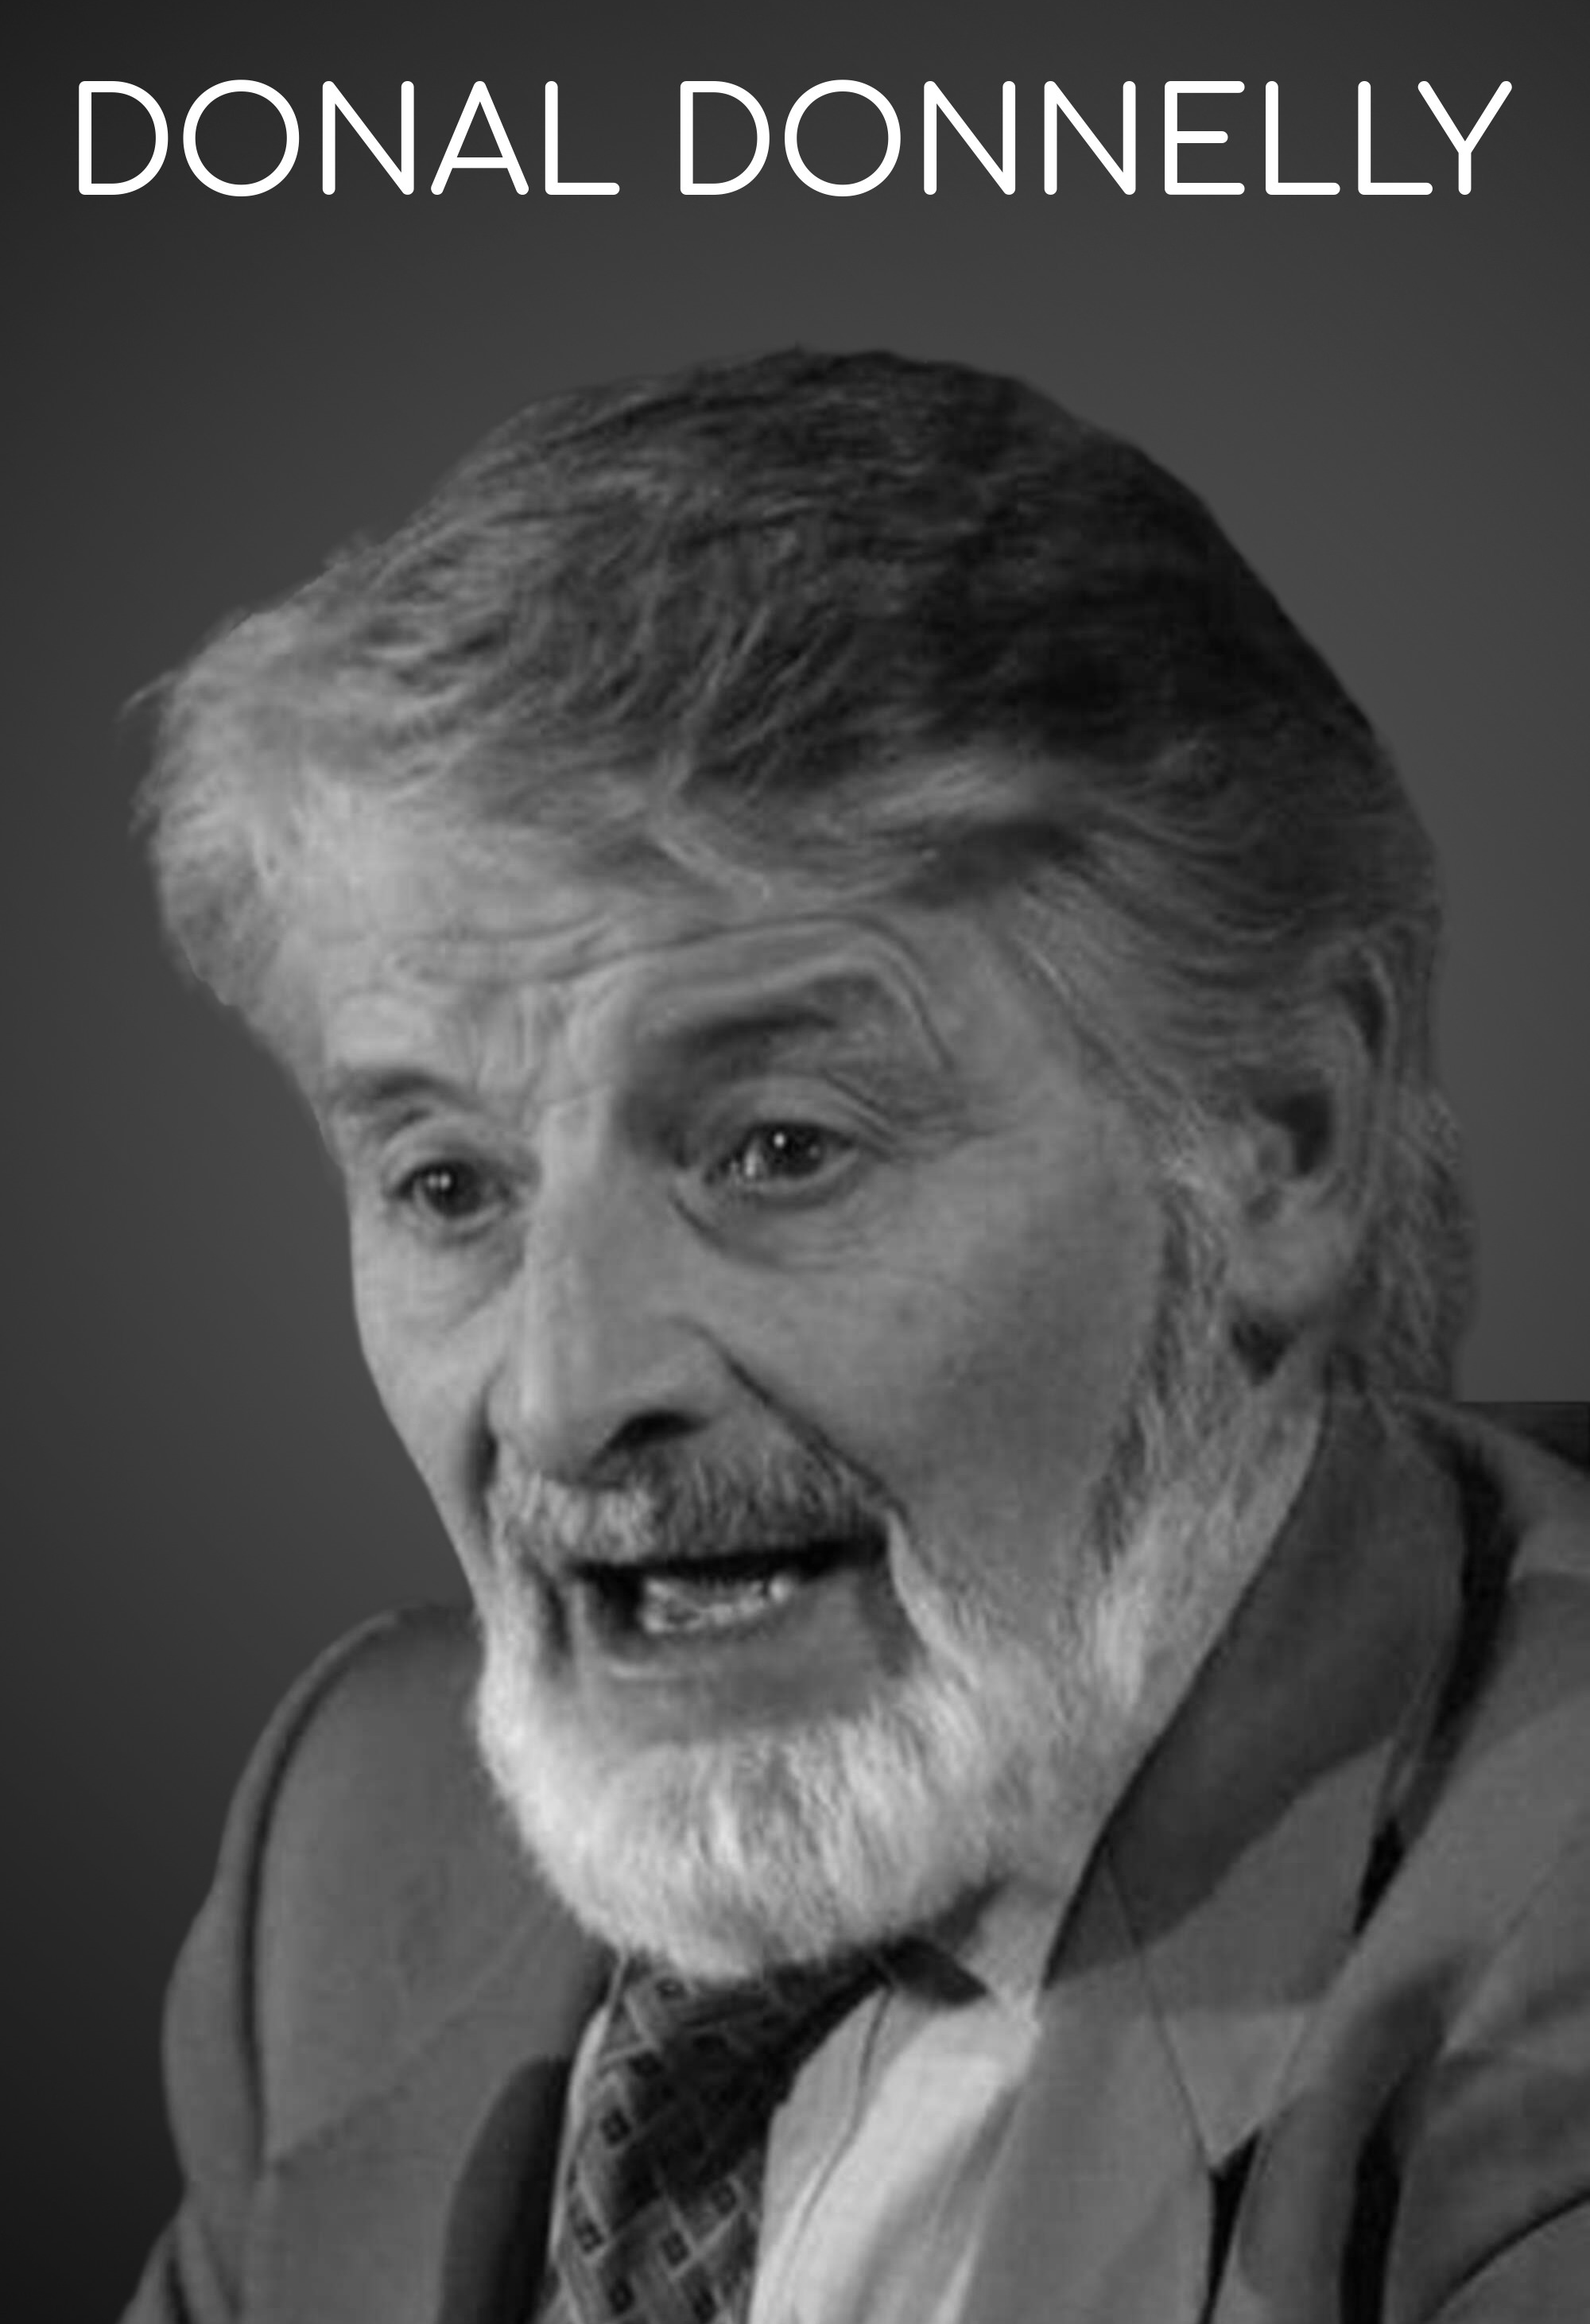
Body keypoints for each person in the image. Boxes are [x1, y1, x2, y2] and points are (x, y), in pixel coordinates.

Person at [125, 351, 1590, 2324]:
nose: (563, 1395)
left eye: (779, 1150)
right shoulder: (351, 1843)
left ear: (1278, 1147)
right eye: (449, 1186)